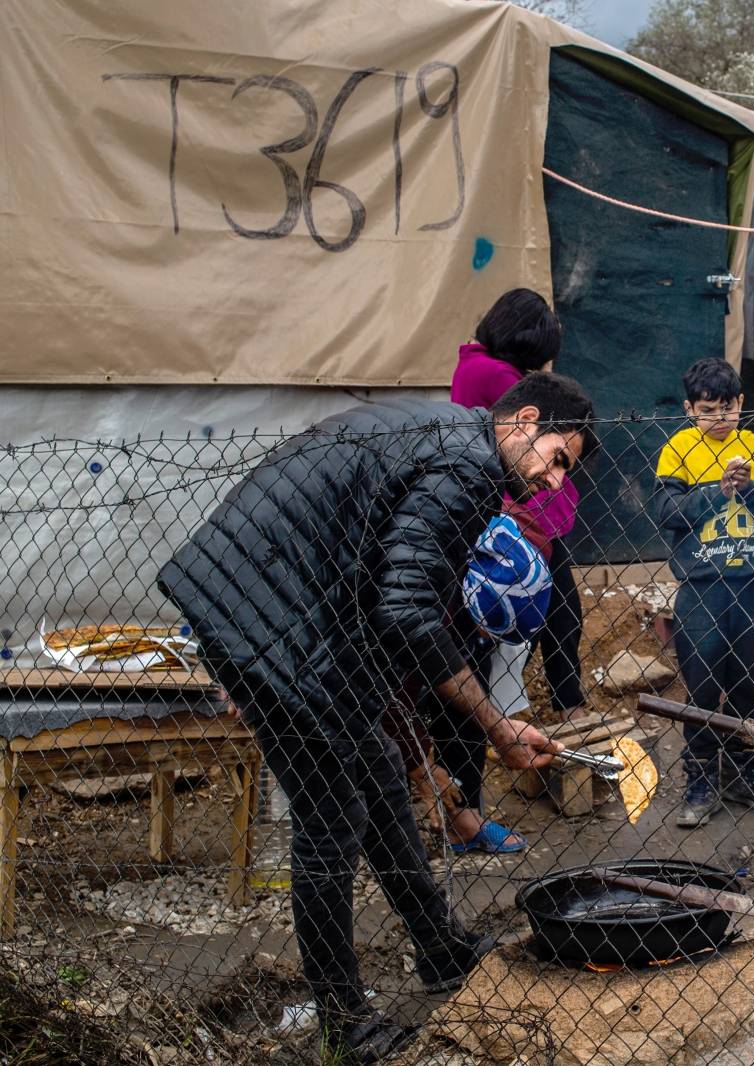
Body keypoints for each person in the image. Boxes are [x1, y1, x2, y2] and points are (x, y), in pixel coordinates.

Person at [157, 373, 596, 1064]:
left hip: (293, 610)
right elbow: (408, 606)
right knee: (331, 816)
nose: (552, 481)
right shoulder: (469, 467)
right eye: (557, 458)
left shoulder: (454, 436)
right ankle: (344, 1019)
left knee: (381, 770)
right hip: (272, 613)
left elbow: (394, 588)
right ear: (526, 420)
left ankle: (441, 948)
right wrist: (494, 723)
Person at [652, 357, 754, 828]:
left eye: (727, 409)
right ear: (690, 408)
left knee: (749, 684)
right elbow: (667, 510)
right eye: (708, 410)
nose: (719, 419)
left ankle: (745, 773)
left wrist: (749, 490)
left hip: (753, 586)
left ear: (741, 404)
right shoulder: (678, 449)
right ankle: (700, 778)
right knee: (703, 687)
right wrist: (718, 490)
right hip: (702, 589)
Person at [452, 288, 586, 724]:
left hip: (504, 513)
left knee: (530, 618)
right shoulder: (505, 381)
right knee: (548, 613)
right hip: (524, 518)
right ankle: (551, 707)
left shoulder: (470, 364)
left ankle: (521, 706)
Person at [385, 515, 553, 855]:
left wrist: (499, 727)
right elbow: (387, 698)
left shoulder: (501, 551)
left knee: (468, 693)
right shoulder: (420, 604)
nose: (491, 642)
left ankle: (463, 821)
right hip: (359, 665)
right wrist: (423, 769)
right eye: (490, 632)